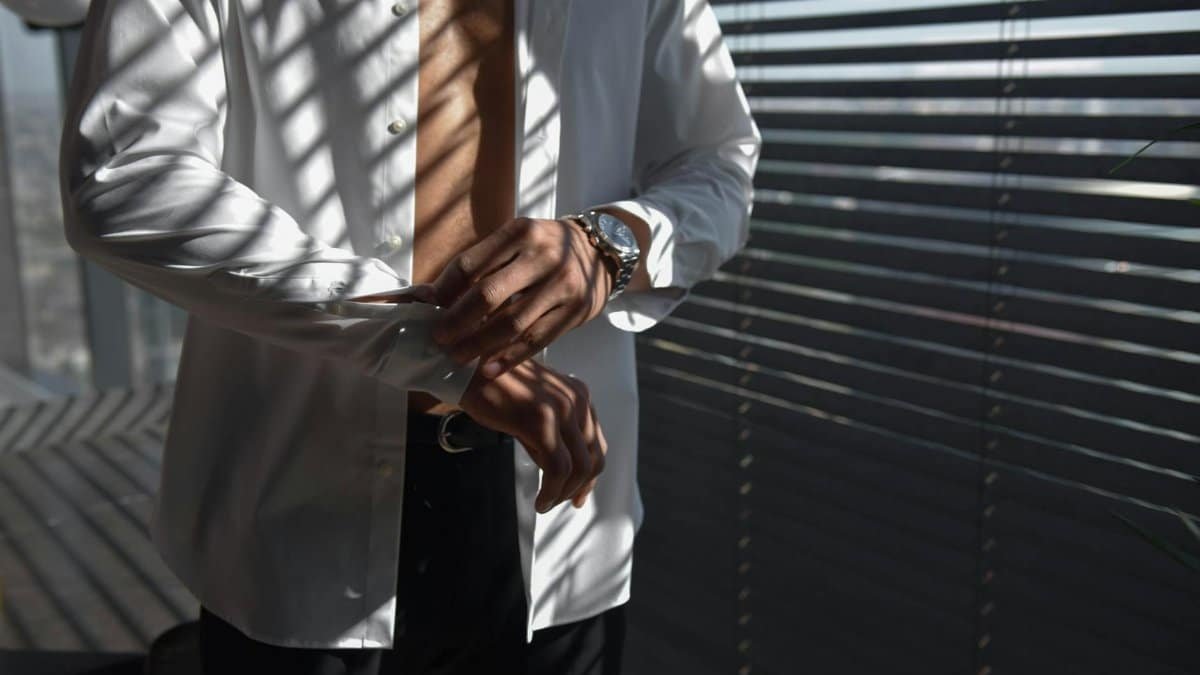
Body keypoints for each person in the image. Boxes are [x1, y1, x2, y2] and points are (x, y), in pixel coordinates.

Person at [60, 0, 759, 672]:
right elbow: (127, 174)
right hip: (299, 501)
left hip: (562, 510)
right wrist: (435, 350)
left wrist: (610, 247)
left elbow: (719, 162)